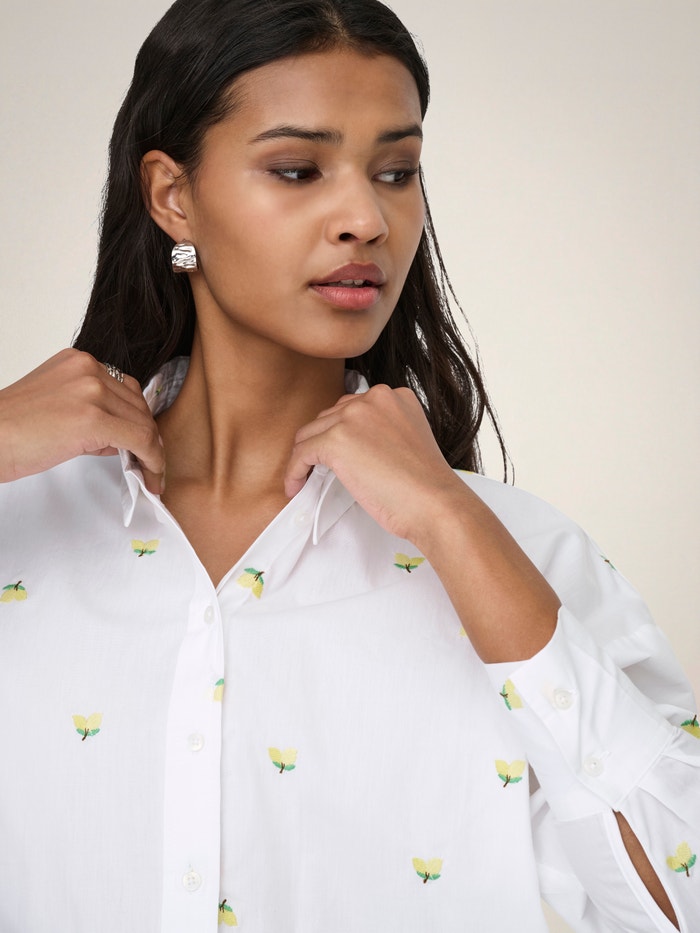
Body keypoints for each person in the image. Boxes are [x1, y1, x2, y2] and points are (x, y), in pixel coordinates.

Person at [0, 0, 697, 930]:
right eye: (297, 170)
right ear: (172, 195)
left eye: (396, 172)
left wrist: (450, 522)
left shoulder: (516, 557)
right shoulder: (19, 522)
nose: (367, 219)